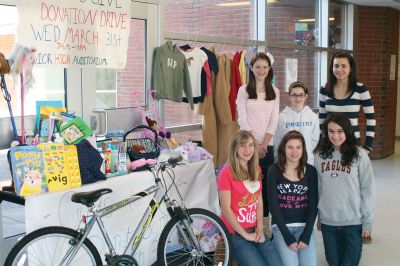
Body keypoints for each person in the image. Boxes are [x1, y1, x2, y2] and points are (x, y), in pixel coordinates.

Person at [314, 113, 375, 266]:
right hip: (329, 222)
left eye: (340, 131)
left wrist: (367, 221)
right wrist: (320, 216)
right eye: (331, 131)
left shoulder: (360, 155)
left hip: (353, 222)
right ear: (325, 132)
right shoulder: (320, 156)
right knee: (334, 262)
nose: (335, 136)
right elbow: (319, 188)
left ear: (347, 131)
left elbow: (368, 189)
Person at [217, 130, 282, 266]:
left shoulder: (256, 169)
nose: (248, 150)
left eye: (251, 145)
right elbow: (226, 210)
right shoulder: (226, 173)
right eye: (243, 145)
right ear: (235, 148)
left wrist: (259, 227)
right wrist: (246, 235)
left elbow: (259, 201)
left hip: (255, 229)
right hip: (235, 234)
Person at [236, 52, 279, 227]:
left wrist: (264, 144)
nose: (261, 70)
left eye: (265, 67)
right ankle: (248, 223)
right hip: (247, 146)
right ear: (252, 69)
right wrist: (255, 144)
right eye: (257, 67)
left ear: (269, 69)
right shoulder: (244, 90)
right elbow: (243, 119)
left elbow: (274, 120)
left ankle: (265, 224)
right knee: (248, 185)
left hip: (267, 146)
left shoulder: (274, 91)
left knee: (266, 187)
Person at [268, 130, 318, 266]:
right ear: (283, 148)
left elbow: (313, 206)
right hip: (282, 227)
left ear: (303, 149)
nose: (294, 151)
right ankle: (276, 243)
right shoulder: (273, 171)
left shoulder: (311, 171)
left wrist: (307, 235)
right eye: (290, 147)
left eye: (298, 147)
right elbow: (273, 207)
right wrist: (287, 236)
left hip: (304, 226)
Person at [319, 52, 376, 153]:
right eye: (336, 66)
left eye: (344, 66)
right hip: (329, 142)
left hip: (353, 142)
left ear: (350, 69)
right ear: (332, 68)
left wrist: (367, 146)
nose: (339, 69)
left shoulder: (360, 89)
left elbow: (371, 119)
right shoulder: (325, 89)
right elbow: (322, 119)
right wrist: (320, 143)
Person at [274, 81, 320, 165]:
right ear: (289, 96)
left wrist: (304, 151)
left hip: (307, 160)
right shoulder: (281, 117)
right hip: (287, 161)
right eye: (294, 95)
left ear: (306, 96)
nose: (297, 98)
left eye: (301, 95)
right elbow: (278, 140)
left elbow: (314, 139)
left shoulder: (312, 116)